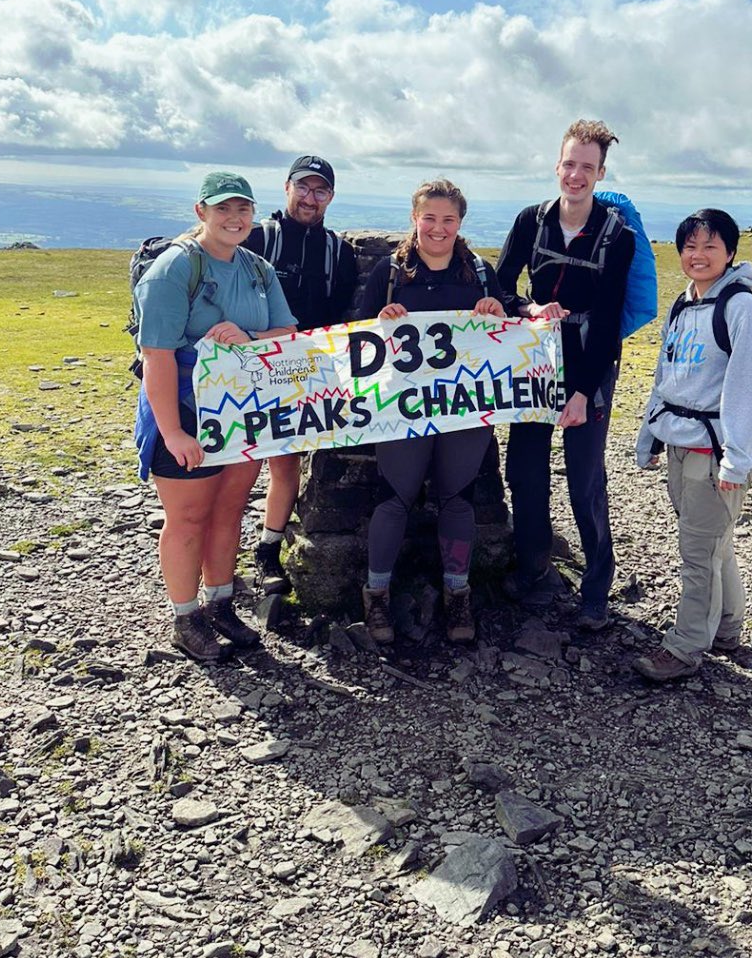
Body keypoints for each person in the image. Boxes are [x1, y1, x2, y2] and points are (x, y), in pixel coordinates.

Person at [133, 172, 297, 661]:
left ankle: (220, 602)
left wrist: (250, 340)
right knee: (188, 516)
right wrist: (174, 432)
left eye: (243, 208)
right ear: (200, 211)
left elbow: (288, 332)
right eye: (223, 208)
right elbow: (156, 357)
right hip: (185, 409)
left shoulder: (257, 268)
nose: (235, 217)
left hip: (239, 412)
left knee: (228, 510)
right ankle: (185, 619)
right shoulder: (173, 269)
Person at [496, 119, 636, 631]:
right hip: (535, 357)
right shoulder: (531, 221)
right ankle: (534, 569)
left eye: (587, 167)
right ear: (558, 165)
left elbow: (608, 321)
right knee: (525, 471)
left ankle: (596, 589)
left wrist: (581, 392)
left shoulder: (616, 236)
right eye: (569, 164)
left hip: (589, 364)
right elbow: (500, 282)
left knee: (584, 480)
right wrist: (526, 308)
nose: (575, 175)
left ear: (601, 173)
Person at [356, 179, 507, 645]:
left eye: (448, 219)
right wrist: (378, 323)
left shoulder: (479, 272)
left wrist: (498, 310)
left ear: (460, 223)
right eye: (429, 218)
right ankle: (375, 594)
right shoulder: (390, 273)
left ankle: (457, 593)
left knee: (457, 498)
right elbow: (355, 338)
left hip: (464, 408)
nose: (438, 228)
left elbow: (509, 324)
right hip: (401, 409)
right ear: (414, 219)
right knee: (395, 498)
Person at [632, 209, 752, 682]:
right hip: (680, 442)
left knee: (697, 552)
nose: (698, 255)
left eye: (710, 246)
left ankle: (685, 647)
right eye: (690, 246)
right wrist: (650, 432)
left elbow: (751, 388)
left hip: (714, 451)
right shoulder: (684, 303)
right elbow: (668, 371)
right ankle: (728, 629)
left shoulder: (742, 309)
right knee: (715, 543)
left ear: (731, 252)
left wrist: (735, 460)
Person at [242, 156, 357, 594]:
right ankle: (216, 559)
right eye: (303, 188)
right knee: (237, 468)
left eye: (320, 191)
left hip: (305, 372)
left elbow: (342, 315)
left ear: (330, 196)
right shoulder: (257, 238)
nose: (310, 198)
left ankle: (267, 548)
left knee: (285, 465)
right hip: (249, 369)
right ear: (286, 187)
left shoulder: (338, 252)